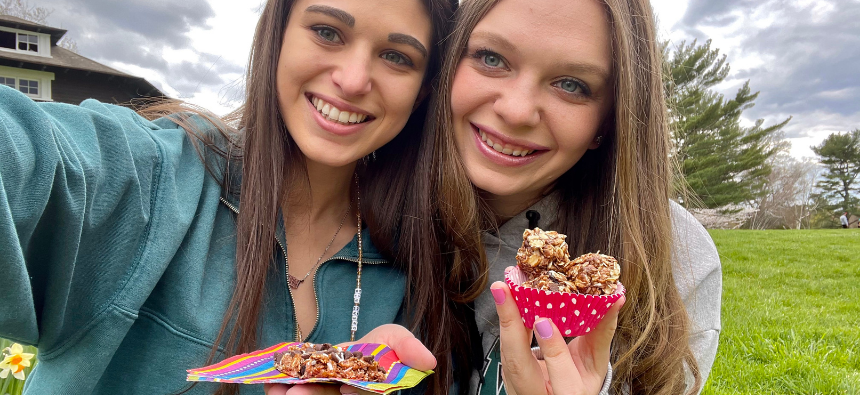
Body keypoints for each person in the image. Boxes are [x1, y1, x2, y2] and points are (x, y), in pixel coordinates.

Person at [0, 0, 480, 394]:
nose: (354, 80)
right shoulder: (151, 177)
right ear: (276, 36)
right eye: (327, 32)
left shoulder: (429, 268)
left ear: (421, 93)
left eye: (397, 56)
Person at [421, 0, 723, 393]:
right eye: (491, 57)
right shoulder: (366, 207)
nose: (516, 111)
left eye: (571, 85)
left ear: (610, 119)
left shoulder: (676, 257)